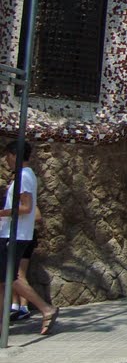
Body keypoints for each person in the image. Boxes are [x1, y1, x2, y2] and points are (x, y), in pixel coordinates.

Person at [0, 141, 58, 335]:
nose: (6, 160)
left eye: (7, 156)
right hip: (12, 233)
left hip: (14, 233)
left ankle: (45, 308)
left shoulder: (24, 177)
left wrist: (1, 213)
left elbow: (26, 207)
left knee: (10, 276)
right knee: (4, 278)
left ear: (14, 155)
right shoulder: (25, 176)